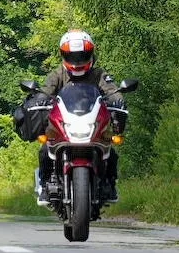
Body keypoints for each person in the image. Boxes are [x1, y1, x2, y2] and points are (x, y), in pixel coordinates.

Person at [37, 29, 124, 204]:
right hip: (65, 122)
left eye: (81, 55)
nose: (77, 61)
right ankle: (45, 184)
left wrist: (118, 100)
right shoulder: (57, 74)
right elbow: (45, 91)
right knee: (46, 149)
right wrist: (39, 100)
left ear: (90, 53)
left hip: (92, 122)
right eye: (72, 56)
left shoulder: (99, 74)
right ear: (64, 55)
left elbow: (112, 91)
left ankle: (109, 184)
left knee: (110, 150)